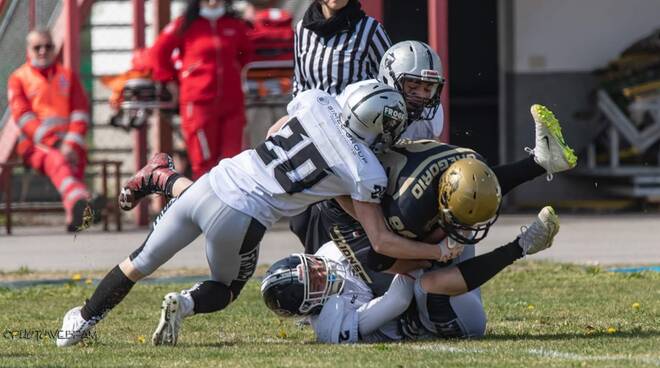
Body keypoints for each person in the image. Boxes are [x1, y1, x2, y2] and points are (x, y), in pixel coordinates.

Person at [57, 83, 455, 348]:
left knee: (138, 262)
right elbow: (382, 241)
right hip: (242, 216)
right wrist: (439, 254)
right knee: (226, 289)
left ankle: (79, 323)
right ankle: (186, 301)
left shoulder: (316, 102)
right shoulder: (363, 168)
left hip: (216, 180)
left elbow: (274, 134)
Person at [261, 203, 559, 343]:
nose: (319, 270)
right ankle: (523, 246)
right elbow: (398, 299)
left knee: (461, 214)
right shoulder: (330, 324)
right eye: (313, 280)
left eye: (309, 265)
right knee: (427, 283)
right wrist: (429, 251)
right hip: (438, 319)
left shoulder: (327, 252)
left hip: (430, 283)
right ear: (307, 306)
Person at [7, 29, 103, 232]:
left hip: (69, 144)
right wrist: (57, 144)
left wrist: (69, 144)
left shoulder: (68, 76)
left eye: (48, 46)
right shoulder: (18, 78)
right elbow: (23, 118)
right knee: (57, 160)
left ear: (54, 48)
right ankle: (84, 199)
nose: (43, 51)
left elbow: (81, 113)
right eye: (37, 47)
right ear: (28, 50)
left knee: (73, 160)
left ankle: (75, 217)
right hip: (34, 146)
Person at [150, 0, 254, 179]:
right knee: (204, 162)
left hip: (232, 103)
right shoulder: (185, 24)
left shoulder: (235, 25)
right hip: (198, 103)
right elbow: (159, 53)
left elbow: (247, 55)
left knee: (233, 159)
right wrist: (171, 82)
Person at [292, 0, 391, 97]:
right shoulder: (302, 29)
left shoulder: (370, 29)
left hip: (355, 112)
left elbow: (391, 77)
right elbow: (299, 84)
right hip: (312, 112)